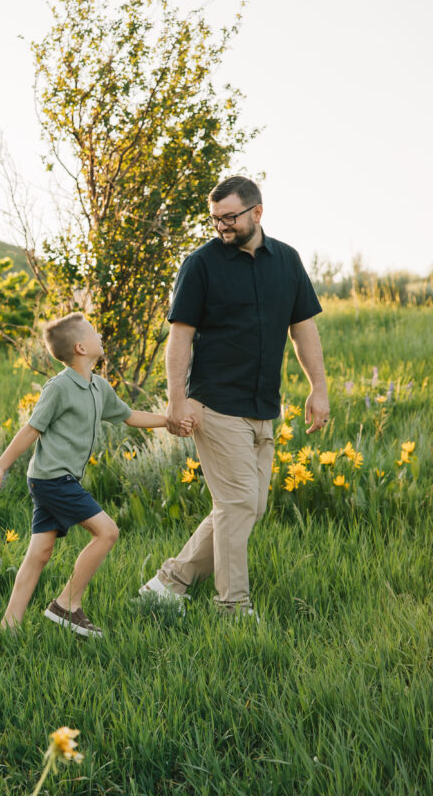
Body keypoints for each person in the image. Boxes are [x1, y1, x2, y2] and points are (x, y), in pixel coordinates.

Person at [139, 175, 328, 619]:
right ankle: (232, 607)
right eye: (216, 219)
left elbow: (303, 329)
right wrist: (176, 400)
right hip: (215, 403)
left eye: (230, 217)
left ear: (256, 212)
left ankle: (168, 584)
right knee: (238, 503)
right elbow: (180, 338)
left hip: (264, 405)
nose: (221, 226)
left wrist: (318, 388)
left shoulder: (287, 261)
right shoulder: (200, 265)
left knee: (247, 507)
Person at [0, 314, 174, 637]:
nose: (101, 334)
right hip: (53, 479)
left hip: (56, 480)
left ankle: (8, 627)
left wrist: (168, 421)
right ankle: (66, 605)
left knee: (39, 553)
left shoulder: (99, 387)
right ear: (81, 347)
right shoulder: (59, 387)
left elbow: (128, 416)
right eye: (94, 332)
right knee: (108, 532)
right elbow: (30, 430)